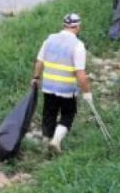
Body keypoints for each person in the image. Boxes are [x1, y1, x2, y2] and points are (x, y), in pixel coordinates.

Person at [32, 13, 93, 153]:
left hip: (48, 86)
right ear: (77, 27)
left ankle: (46, 141)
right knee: (68, 114)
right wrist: (87, 92)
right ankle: (56, 141)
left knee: (49, 113)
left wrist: (36, 77)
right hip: (66, 89)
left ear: (64, 25)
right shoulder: (77, 45)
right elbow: (80, 73)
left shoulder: (49, 40)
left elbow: (39, 62)